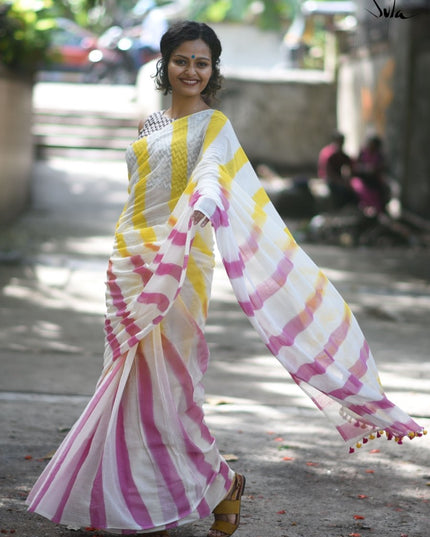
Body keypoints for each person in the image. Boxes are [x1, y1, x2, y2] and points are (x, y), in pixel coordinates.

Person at [26, 21, 425, 537]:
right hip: (128, 263)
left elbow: (214, 173)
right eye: (181, 60)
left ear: (213, 70)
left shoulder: (215, 126)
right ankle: (149, 501)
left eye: (202, 62)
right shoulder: (150, 125)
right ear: (164, 64)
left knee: (173, 386)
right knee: (126, 386)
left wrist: (204, 204)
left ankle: (216, 483)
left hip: (182, 261)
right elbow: (136, 194)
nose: (191, 70)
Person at [351, 135, 390, 214]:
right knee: (359, 188)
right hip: (362, 178)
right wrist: (365, 168)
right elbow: (355, 166)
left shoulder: (379, 155)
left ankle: (378, 209)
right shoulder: (362, 153)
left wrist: (375, 169)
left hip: (374, 179)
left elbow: (383, 167)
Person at [318, 131, 357, 209]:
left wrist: (347, 179)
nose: (342, 143)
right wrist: (341, 182)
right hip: (328, 179)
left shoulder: (341, 154)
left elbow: (350, 165)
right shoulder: (328, 153)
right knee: (341, 191)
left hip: (338, 179)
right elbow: (328, 173)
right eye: (340, 141)